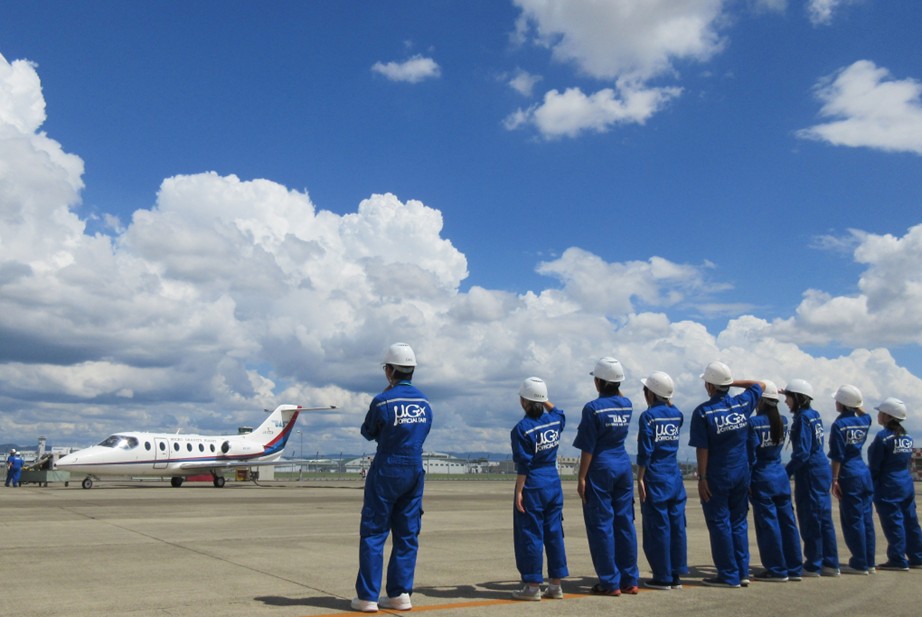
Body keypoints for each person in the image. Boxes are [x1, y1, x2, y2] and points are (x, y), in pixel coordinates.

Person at [352, 343, 433, 613]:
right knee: (407, 533)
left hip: (387, 466)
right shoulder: (425, 403)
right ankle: (399, 593)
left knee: (374, 531)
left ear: (389, 371)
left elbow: (367, 431)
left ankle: (367, 597)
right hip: (414, 468)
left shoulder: (383, 400)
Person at [688, 361, 764, 588]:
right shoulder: (742, 403)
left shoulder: (703, 412)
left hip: (718, 474)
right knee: (738, 522)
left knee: (720, 523)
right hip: (741, 471)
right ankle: (742, 572)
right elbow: (759, 384)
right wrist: (733, 382)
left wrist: (702, 478)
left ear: (710, 386)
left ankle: (728, 574)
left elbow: (703, 448)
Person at [572, 357, 639, 596]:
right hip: (623, 465)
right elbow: (619, 396)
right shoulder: (627, 404)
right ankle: (630, 579)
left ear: (599, 382)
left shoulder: (593, 408)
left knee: (601, 525)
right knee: (624, 523)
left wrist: (582, 478)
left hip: (600, 467)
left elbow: (587, 447)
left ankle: (610, 582)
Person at [510, 376, 569, 601]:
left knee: (531, 534)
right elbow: (560, 412)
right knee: (554, 533)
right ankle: (556, 585)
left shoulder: (521, 429)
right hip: (553, 482)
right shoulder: (554, 422)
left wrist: (519, 491)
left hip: (533, 482)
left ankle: (533, 585)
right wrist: (545, 400)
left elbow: (523, 464)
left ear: (524, 401)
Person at [635, 371, 687, 590]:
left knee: (658, 527)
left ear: (651, 393)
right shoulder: (677, 414)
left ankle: (662, 576)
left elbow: (646, 450)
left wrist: (640, 477)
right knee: (677, 526)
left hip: (655, 474)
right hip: (673, 474)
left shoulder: (648, 417)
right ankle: (676, 573)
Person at [747, 380, 803, 582]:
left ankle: (776, 568)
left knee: (768, 524)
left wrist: (748, 481)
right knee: (788, 522)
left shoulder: (754, 423)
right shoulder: (784, 420)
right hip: (779, 475)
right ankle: (794, 566)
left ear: (760, 402)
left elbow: (750, 456)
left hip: (761, 476)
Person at [783, 379, 839, 577]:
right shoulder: (814, 414)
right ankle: (830, 563)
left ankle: (814, 564)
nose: (786, 402)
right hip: (821, 469)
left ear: (798, 398)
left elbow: (802, 453)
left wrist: (786, 471)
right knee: (824, 519)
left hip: (810, 473)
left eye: (788, 398)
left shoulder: (802, 419)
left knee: (810, 518)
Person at [867, 397, 922, 570]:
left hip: (888, 485)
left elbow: (875, 464)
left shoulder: (883, 437)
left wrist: (870, 483)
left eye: (880, 412)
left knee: (893, 522)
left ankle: (897, 559)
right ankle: (918, 556)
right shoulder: (906, 437)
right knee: (910, 521)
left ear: (887, 415)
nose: (878, 415)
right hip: (905, 483)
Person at [828, 384, 875, 575]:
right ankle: (869, 561)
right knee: (866, 519)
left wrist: (835, 479)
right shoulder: (864, 421)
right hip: (863, 471)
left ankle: (859, 562)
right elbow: (864, 413)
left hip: (848, 473)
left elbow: (837, 456)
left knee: (853, 520)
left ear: (842, 403)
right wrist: (856, 403)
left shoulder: (839, 425)